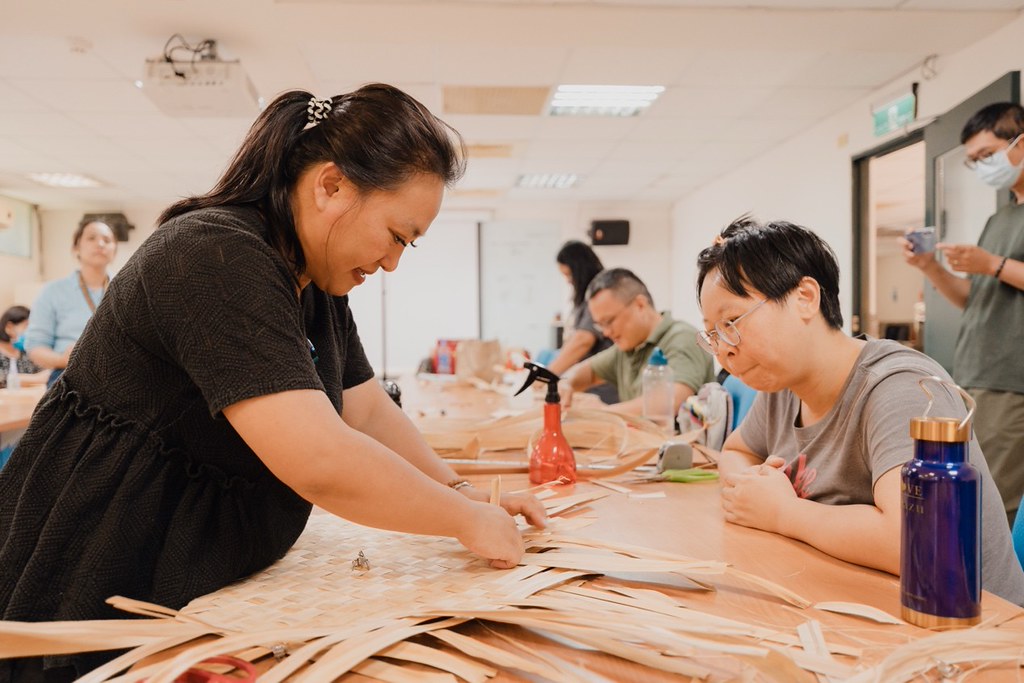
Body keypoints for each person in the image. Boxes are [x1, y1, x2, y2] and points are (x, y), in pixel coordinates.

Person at [0, 84, 546, 681]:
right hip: (104, 555)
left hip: (192, 563)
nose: (393, 263)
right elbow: (319, 457)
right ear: (331, 185)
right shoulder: (216, 256)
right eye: (395, 235)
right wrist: (466, 522)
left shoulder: (314, 278)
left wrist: (460, 492)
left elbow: (363, 410)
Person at [698, 216, 1024, 606]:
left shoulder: (903, 387)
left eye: (732, 322)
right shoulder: (782, 385)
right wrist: (756, 488)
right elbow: (736, 452)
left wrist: (783, 512)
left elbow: (916, 542)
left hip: (969, 630)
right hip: (859, 604)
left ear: (805, 298)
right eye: (713, 334)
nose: (724, 349)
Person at [902, 102, 1024, 529]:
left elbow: (997, 272)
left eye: (987, 155)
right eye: (973, 162)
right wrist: (931, 268)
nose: (981, 167)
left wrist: (991, 263)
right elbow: (977, 300)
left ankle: (1001, 596)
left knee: (997, 510)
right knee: (976, 498)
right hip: (976, 374)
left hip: (1012, 381)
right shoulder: (1000, 217)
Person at [559, 267, 714, 420]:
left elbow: (671, 402)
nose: (605, 333)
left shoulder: (682, 338)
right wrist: (567, 384)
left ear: (640, 305)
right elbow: (589, 372)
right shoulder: (629, 346)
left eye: (609, 321)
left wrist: (602, 412)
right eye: (600, 325)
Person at [23, 219, 117, 387]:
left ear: (114, 249)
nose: (100, 243)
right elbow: (35, 346)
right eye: (91, 238)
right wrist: (61, 359)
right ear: (76, 248)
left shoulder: (127, 289)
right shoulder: (53, 292)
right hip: (67, 376)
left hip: (119, 377)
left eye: (107, 240)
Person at [547, 240, 617, 403]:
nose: (568, 281)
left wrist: (549, 375)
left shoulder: (599, 295)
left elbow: (583, 340)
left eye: (569, 275)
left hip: (602, 391)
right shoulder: (585, 297)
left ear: (580, 270)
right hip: (586, 385)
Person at [0, 305, 47, 388]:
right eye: (26, 326)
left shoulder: (26, 353)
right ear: (9, 327)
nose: (30, 332)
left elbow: (45, 373)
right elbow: (2, 379)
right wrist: (36, 378)